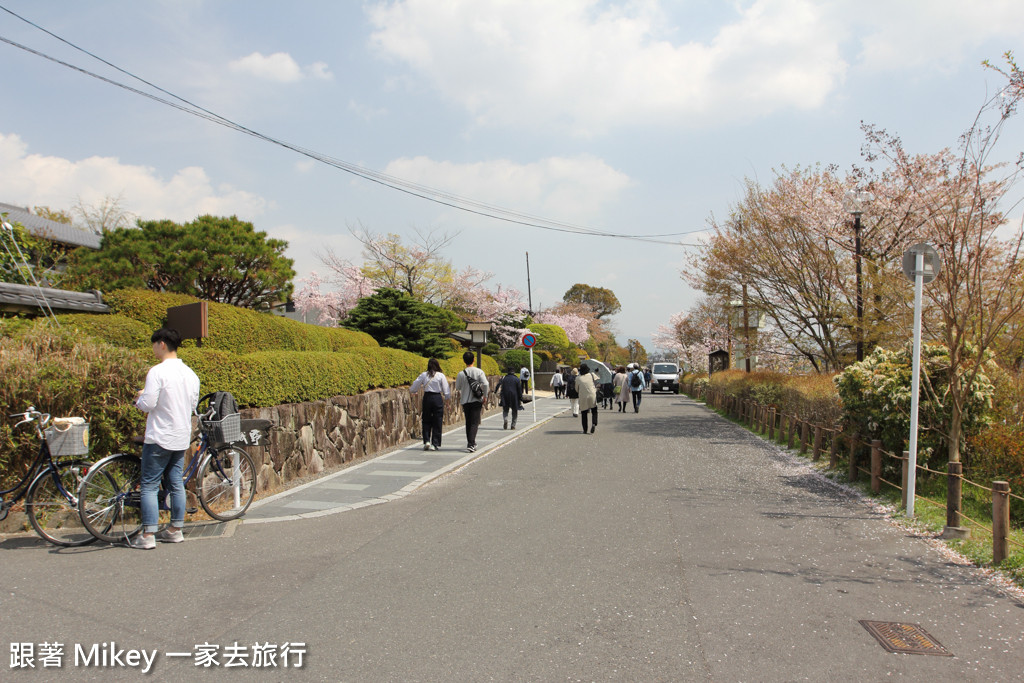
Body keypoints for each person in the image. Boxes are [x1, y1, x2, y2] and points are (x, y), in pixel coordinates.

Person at [131, 327, 200, 549]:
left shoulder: (157, 372)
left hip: (159, 436)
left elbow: (148, 404)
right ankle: (175, 530)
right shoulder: (190, 374)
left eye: (154, 344)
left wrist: (139, 399)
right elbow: (192, 406)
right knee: (176, 484)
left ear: (162, 344)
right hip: (180, 436)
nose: (152, 348)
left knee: (149, 485)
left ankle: (148, 535)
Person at [410, 358, 451, 451]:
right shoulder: (441, 375)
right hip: (437, 398)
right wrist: (447, 400)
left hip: (427, 397)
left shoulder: (424, 375)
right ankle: (435, 444)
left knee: (426, 419)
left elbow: (415, 385)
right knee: (437, 420)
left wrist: (413, 391)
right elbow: (446, 390)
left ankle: (427, 441)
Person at [455, 350, 489, 453]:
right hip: (476, 400)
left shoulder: (461, 374)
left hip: (465, 400)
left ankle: (471, 443)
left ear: (464, 361)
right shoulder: (479, 371)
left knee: (468, 422)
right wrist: (485, 396)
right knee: (474, 422)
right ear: (474, 359)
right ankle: (471, 444)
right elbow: (486, 384)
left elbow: (457, 387)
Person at [576, 364, 599, 434]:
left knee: (584, 413)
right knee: (594, 410)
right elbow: (598, 381)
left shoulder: (578, 378)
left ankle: (585, 429)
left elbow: (576, 389)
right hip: (592, 395)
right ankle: (594, 423)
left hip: (583, 397)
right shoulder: (592, 375)